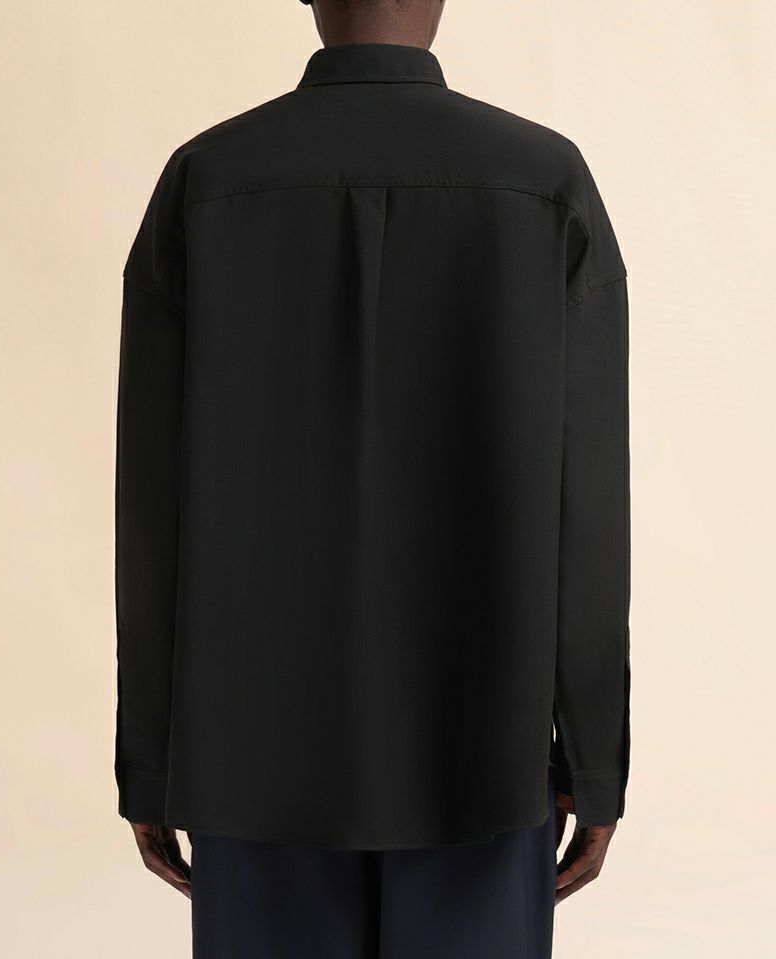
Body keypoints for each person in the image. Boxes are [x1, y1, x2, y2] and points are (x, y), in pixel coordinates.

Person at [113, 1, 631, 955]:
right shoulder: (544, 181)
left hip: (252, 765)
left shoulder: (206, 179)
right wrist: (594, 762)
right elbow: (588, 506)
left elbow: (152, 502)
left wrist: (150, 759)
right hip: (484, 758)